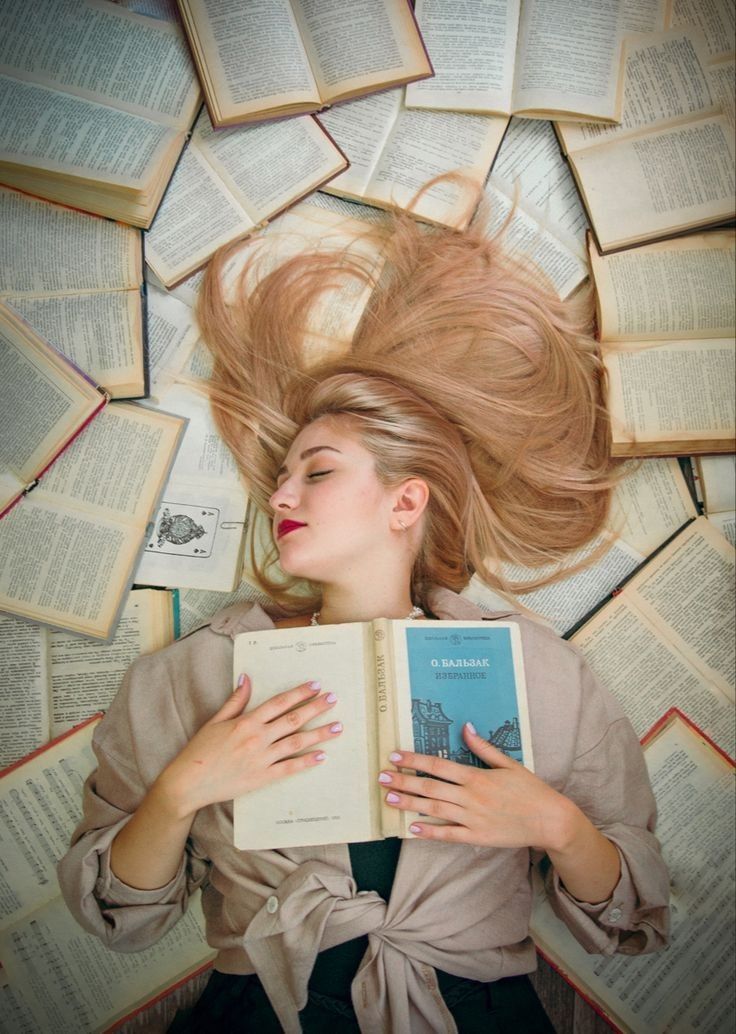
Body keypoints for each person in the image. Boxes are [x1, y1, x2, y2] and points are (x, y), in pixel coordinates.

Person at [58, 201, 670, 1033]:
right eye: (281, 476)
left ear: (405, 500)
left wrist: (556, 826)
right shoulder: (183, 677)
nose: (279, 495)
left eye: (316, 472)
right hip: (261, 1012)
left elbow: (631, 919)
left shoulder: (540, 672)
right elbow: (121, 918)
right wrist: (181, 792)